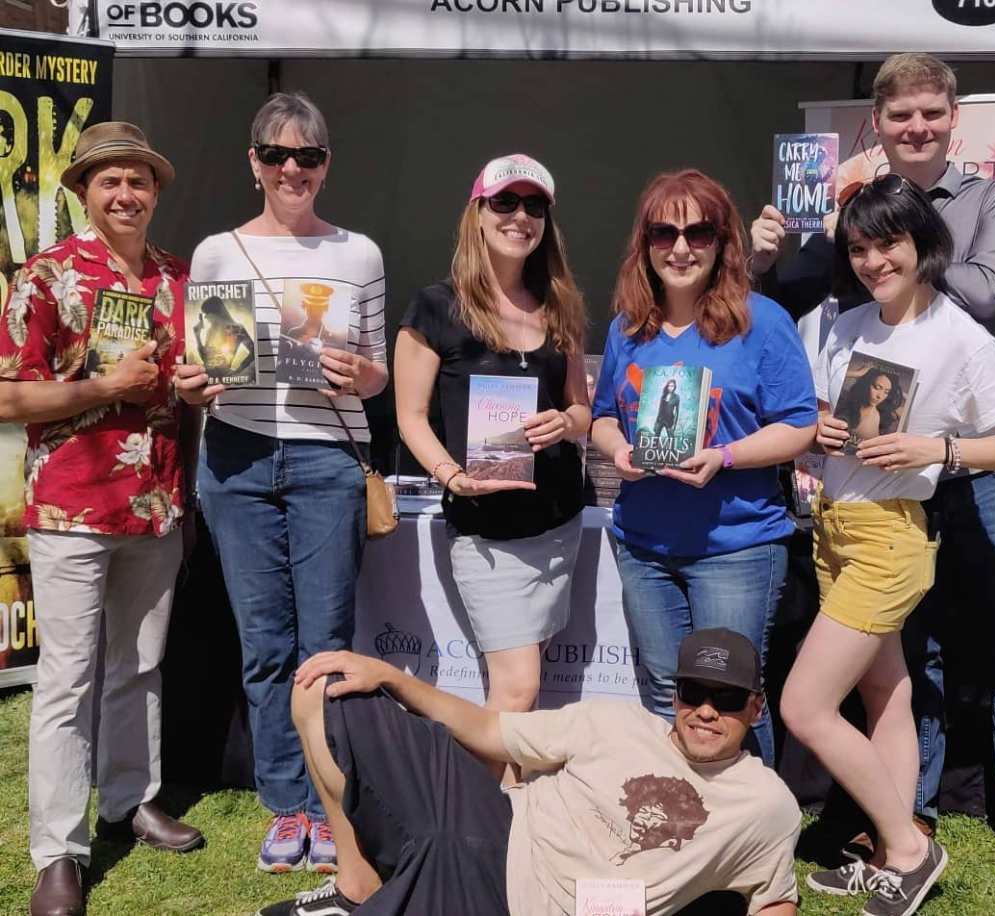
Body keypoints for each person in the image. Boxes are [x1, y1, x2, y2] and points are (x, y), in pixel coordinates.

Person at [751, 52, 995, 890]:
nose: (873, 261)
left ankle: (919, 845)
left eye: (890, 247)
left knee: (807, 703)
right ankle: (893, 836)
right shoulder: (846, 324)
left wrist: (935, 449)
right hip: (843, 519)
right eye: (861, 249)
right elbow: (811, 402)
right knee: (893, 691)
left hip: (914, 515)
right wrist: (821, 430)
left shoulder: (960, 317)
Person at [174, 91, 388, 874]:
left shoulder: (358, 254)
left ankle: (331, 803)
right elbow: (204, 367)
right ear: (253, 163)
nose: (291, 169)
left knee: (325, 643)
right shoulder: (217, 253)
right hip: (236, 455)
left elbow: (377, 375)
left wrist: (359, 371)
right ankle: (286, 804)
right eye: (275, 154)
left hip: (327, 459)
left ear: (327, 165)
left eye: (307, 156)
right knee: (264, 645)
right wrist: (193, 387)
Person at [0, 121, 204, 916]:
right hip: (71, 508)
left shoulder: (177, 276)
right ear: (83, 192)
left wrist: (192, 386)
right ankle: (58, 850)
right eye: (109, 180)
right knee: (66, 681)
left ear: (156, 191)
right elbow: (10, 395)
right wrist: (100, 388)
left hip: (153, 505)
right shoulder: (48, 277)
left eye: (139, 180)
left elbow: (193, 378)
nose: (126, 193)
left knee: (140, 666)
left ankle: (130, 799)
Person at [255, 627, 801, 916]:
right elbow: (491, 733)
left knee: (447, 855)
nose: (706, 710)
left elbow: (773, 900)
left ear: (756, 707)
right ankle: (357, 884)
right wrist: (393, 679)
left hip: (519, 900)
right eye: (694, 692)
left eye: (726, 698)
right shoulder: (615, 720)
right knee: (321, 689)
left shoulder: (765, 803)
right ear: (675, 694)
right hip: (495, 818)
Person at [590, 168, 818, 766]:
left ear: (724, 242)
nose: (681, 247)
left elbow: (801, 427)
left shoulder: (762, 321)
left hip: (736, 546)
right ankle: (683, 831)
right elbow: (603, 417)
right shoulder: (627, 328)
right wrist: (619, 452)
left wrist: (725, 456)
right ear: (645, 245)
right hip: (644, 545)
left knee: (731, 698)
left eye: (699, 232)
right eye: (664, 233)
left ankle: (755, 840)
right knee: (668, 695)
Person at [393, 154, 589, 756]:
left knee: (528, 684)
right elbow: (410, 417)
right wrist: (452, 476)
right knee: (518, 687)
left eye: (534, 206)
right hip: (486, 529)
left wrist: (565, 422)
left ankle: (512, 805)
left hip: (557, 524)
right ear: (477, 215)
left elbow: (583, 410)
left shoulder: (560, 305)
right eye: (505, 203)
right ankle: (477, 819)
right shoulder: (435, 306)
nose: (520, 217)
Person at [835, 368, 904, 447]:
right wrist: (856, 373)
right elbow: (831, 379)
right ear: (867, 384)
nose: (880, 396)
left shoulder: (878, 416)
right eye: (877, 387)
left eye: (886, 392)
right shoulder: (847, 401)